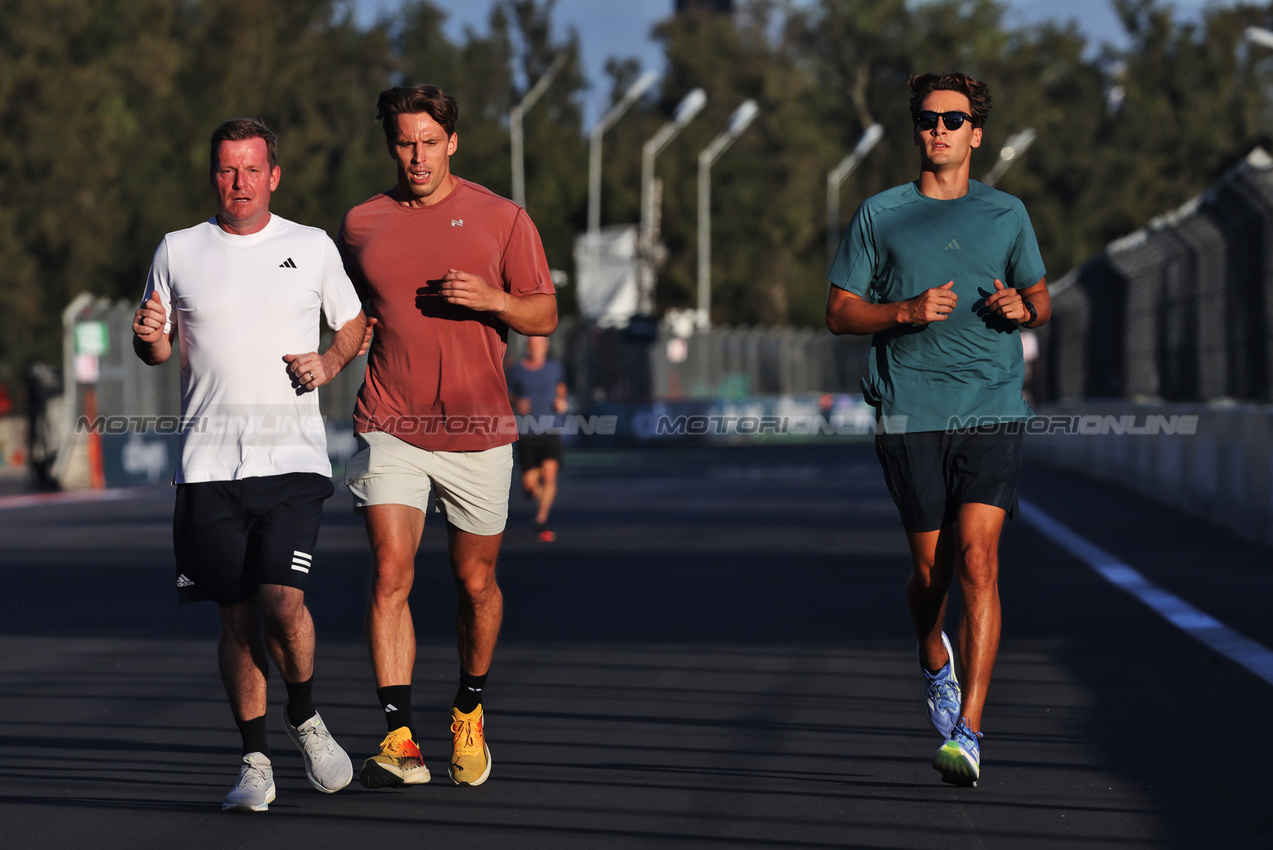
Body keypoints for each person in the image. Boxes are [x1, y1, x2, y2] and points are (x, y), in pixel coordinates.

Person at [825, 72, 1051, 787]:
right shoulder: (880, 214)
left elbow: (1040, 295)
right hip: (908, 410)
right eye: (927, 119)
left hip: (990, 405)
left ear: (975, 134)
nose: (939, 130)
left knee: (979, 560)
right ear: (915, 129)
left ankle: (970, 731)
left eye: (953, 120)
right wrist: (903, 312)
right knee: (932, 574)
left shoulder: (1006, 213)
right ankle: (931, 650)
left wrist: (1024, 308)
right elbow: (837, 311)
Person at [133, 118, 365, 811]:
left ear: (274, 175)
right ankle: (254, 760)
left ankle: (306, 716)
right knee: (236, 620)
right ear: (215, 175)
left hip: (290, 460)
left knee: (283, 604)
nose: (239, 183)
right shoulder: (177, 250)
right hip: (205, 468)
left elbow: (353, 323)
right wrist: (147, 339)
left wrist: (328, 359)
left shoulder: (311, 245)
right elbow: (155, 345)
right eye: (227, 170)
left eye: (251, 170)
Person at [338, 84, 557, 789]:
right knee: (390, 574)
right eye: (404, 142)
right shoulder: (362, 223)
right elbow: (348, 313)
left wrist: (493, 300)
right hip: (390, 422)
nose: (417, 156)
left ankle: (468, 708)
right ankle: (399, 737)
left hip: (477, 430)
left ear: (452, 142)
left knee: (475, 583)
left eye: (429, 142)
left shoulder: (502, 217)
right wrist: (333, 350)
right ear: (389, 144)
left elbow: (544, 313)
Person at [507, 335, 568, 542]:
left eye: (540, 344)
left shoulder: (554, 368)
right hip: (527, 431)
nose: (536, 348)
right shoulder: (517, 370)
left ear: (546, 346)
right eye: (532, 344)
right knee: (530, 486)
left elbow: (560, 388)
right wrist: (517, 402)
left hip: (551, 428)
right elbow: (506, 394)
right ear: (528, 347)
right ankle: (536, 492)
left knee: (550, 473)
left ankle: (541, 519)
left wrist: (561, 401)